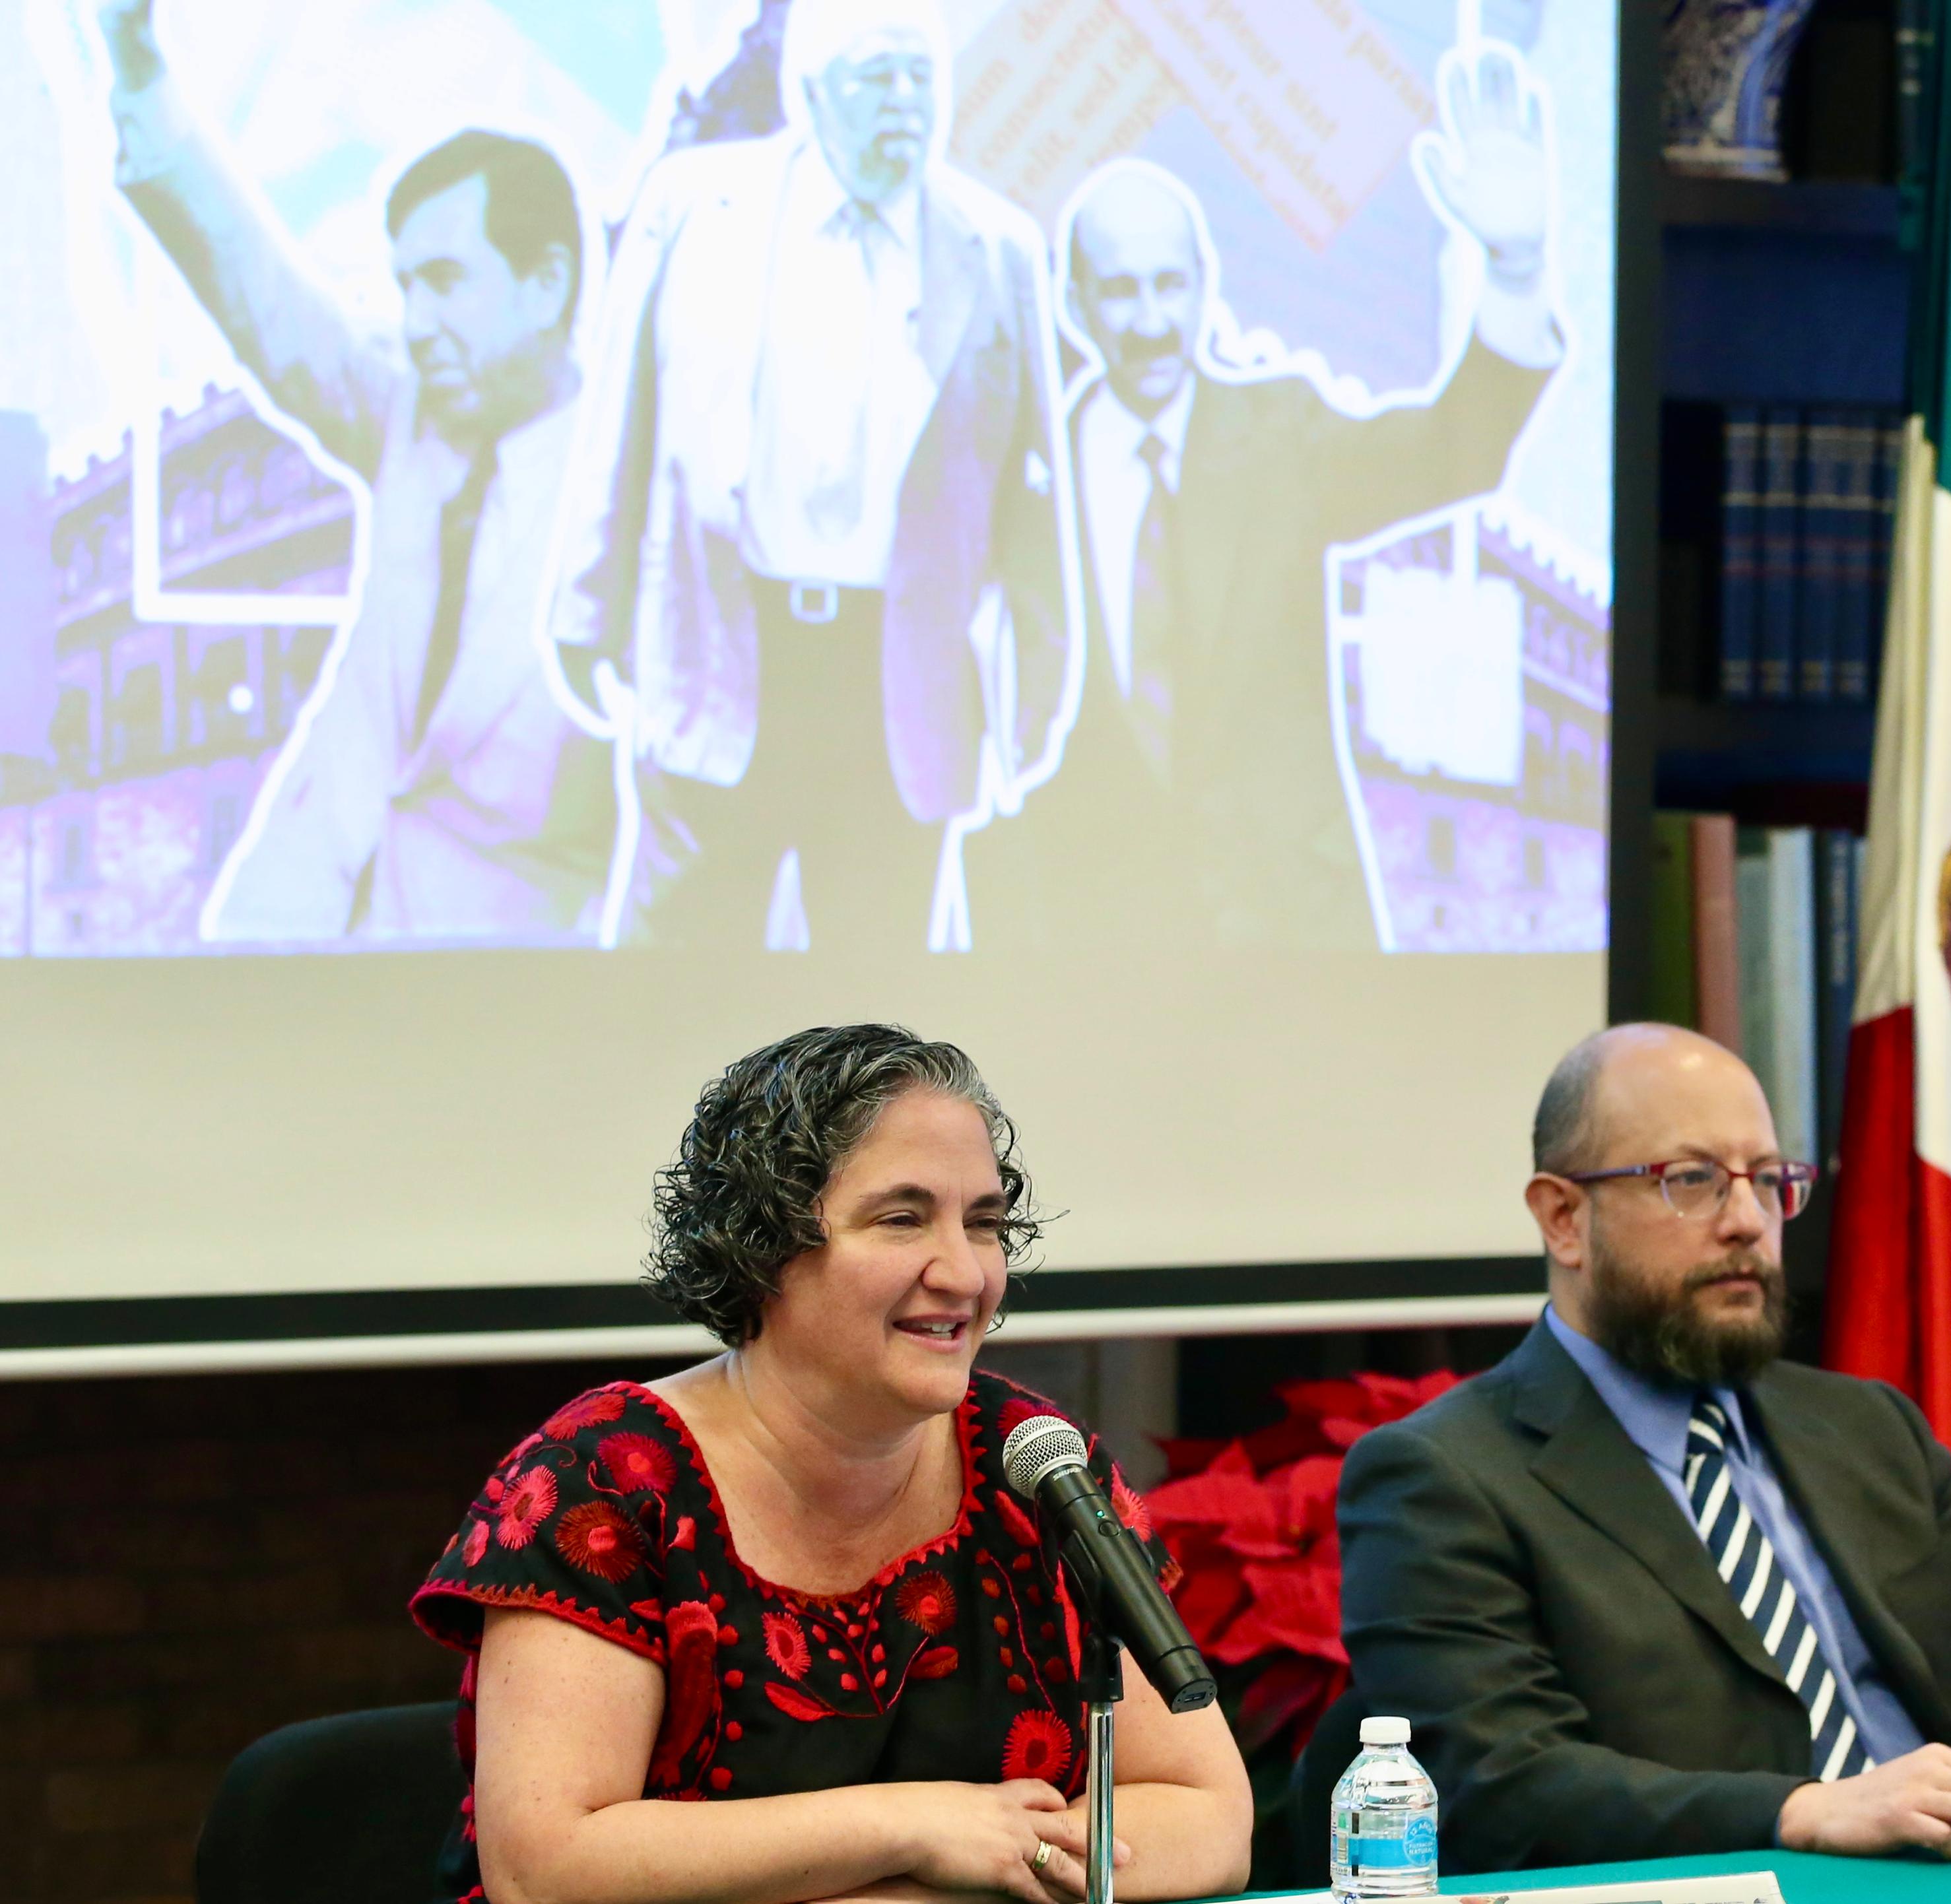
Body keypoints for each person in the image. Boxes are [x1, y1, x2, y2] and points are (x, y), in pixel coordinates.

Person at [1335, 1022, 1951, 1870]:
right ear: (1562, 1217)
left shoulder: (1865, 1426)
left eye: (1769, 1180)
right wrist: (1801, 1809)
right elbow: (1504, 1785)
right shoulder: (1443, 1473)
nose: (1749, 1221)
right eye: (1692, 1180)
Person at [410, 1025, 1249, 1904]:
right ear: (763, 1244)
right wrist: (915, 1826)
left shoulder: (1027, 1458)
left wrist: (925, 1889)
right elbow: (544, 1870)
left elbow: (1210, 1816)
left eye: (984, 1223)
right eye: (901, 1218)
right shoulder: (605, 1479)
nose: (965, 1274)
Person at [966, 42, 1562, 950]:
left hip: (1293, 919)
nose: (1154, 320)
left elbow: (1447, 454)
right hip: (1087, 935)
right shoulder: (1022, 459)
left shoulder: (1280, 432)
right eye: (1121, 293)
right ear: (1074, 307)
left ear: (1206, 287)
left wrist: (1514, 272)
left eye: (1172, 284)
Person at [545, 0, 1073, 954]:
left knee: (872, 1028)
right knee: (674, 985)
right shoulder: (695, 208)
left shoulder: (998, 249)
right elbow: (623, 416)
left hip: (896, 682)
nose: (904, 103)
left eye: (922, 78)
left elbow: (1032, 494)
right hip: (723, 645)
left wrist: (1041, 679)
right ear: (812, 91)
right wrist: (586, 608)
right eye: (877, 79)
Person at [98, 0, 612, 944]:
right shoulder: (403, 407)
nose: (416, 322)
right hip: (285, 935)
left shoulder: (633, 489)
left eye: (446, 280)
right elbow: (264, 297)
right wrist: (139, 73)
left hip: (504, 991)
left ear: (546, 285)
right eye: (406, 283)